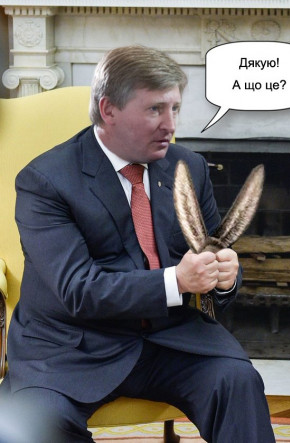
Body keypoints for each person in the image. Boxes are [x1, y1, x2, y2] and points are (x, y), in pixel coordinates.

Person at [0, 45, 275, 443]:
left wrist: (225, 276)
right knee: (36, 424)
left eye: (175, 108)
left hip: (169, 337)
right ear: (108, 110)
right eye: (154, 110)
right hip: (72, 346)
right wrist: (177, 281)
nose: (170, 124)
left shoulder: (189, 168)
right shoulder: (45, 181)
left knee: (237, 381)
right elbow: (78, 290)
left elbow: (213, 252)